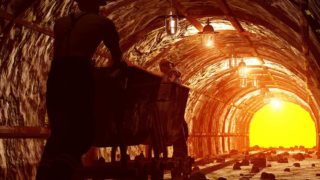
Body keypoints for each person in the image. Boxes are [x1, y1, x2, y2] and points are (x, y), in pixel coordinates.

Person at [36, 0, 124, 179]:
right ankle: (63, 171)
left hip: (57, 72)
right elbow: (117, 55)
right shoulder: (102, 23)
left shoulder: (60, 23)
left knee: (59, 129)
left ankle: (44, 171)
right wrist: (117, 70)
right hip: (79, 71)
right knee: (83, 129)